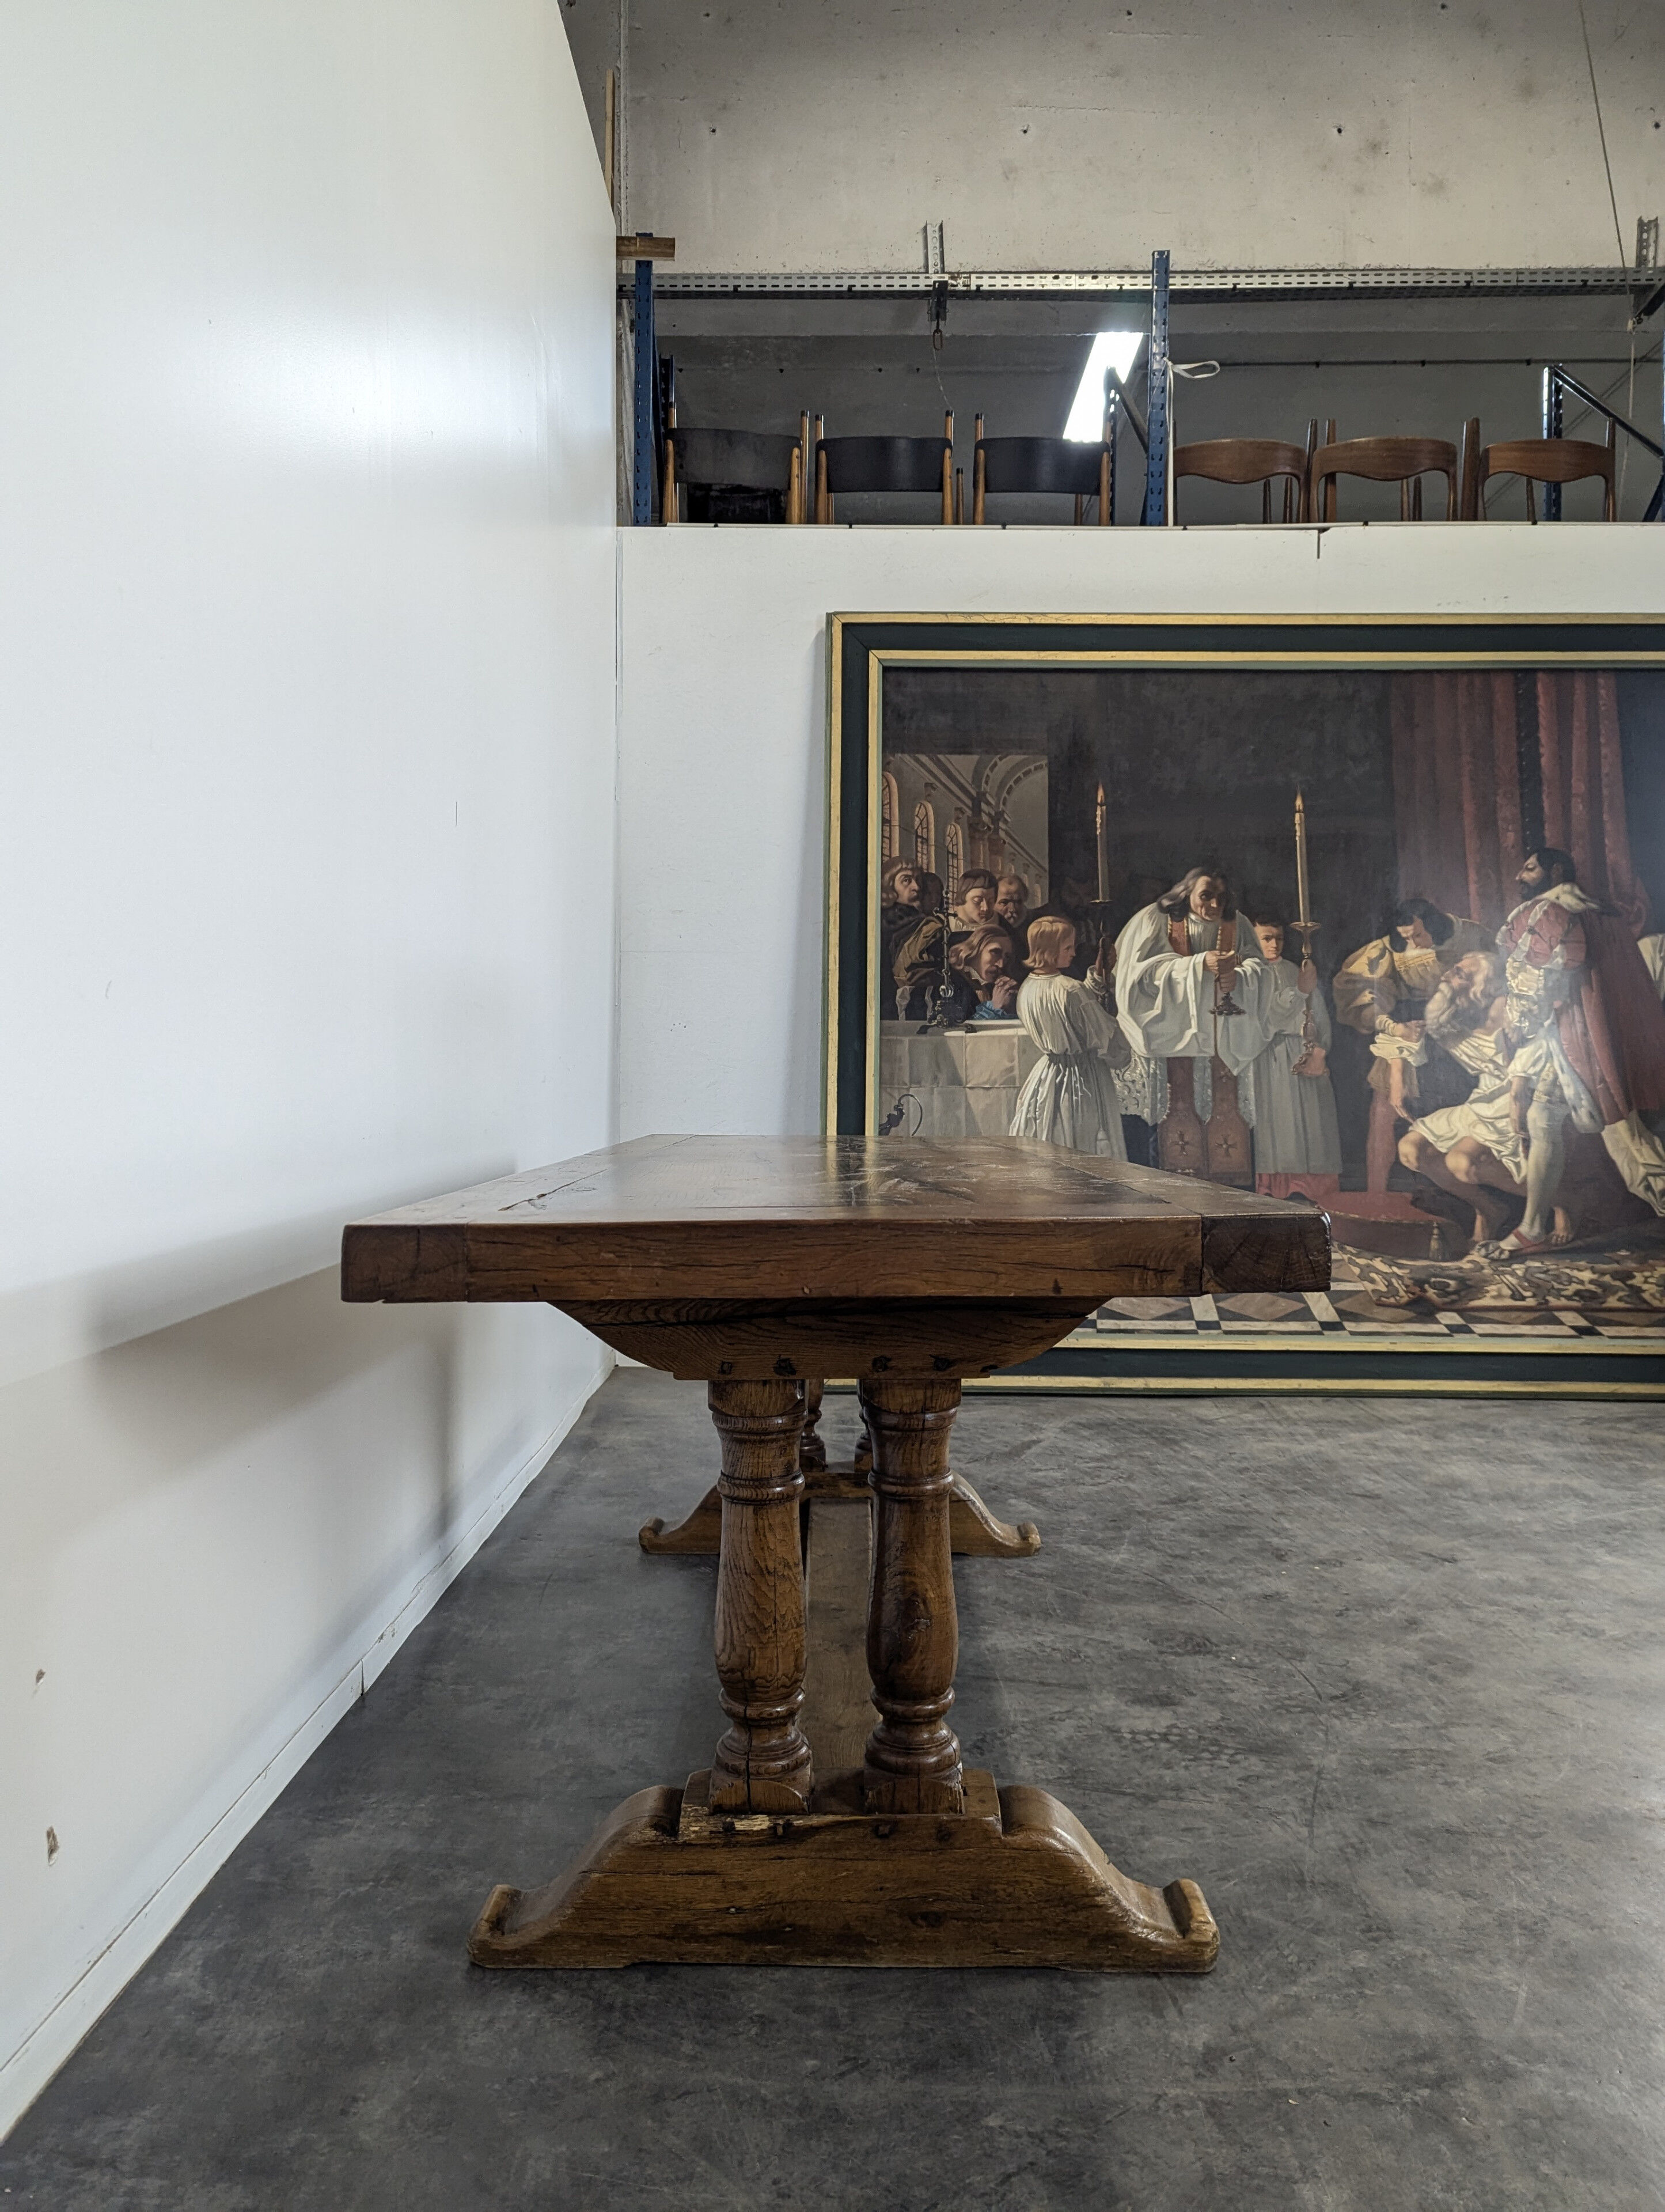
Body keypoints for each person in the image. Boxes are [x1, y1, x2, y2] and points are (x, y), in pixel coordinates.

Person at [1485, 847, 1665, 1252]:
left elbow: (1541, 983)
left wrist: (1517, 1027)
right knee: (1547, 1117)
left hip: (1578, 1035)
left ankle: (1532, 1229)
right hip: (1595, 1033)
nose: (1520, 875)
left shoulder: (1553, 912)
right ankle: (1531, 1227)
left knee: (1624, 1140)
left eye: (1529, 868)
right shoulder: (1595, 910)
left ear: (1556, 871)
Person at [1113, 866, 1304, 1186]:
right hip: (1172, 1038)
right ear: (1186, 892)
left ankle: (1230, 1189)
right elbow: (1135, 977)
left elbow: (1260, 968)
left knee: (1227, 1124)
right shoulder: (1154, 920)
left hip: (1223, 1037)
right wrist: (1196, 965)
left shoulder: (1237, 923)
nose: (1214, 905)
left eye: (1221, 897)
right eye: (1206, 896)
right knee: (1172, 1120)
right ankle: (1170, 1190)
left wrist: (1239, 977)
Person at [1333, 896, 1493, 1190]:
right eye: (1407, 936)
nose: (1414, 941)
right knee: (1384, 1107)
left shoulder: (1470, 936)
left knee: (1459, 1113)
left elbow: (1493, 979)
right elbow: (1361, 992)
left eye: (1418, 934)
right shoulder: (1387, 950)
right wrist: (1393, 1026)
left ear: (1433, 924)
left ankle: (1461, 1194)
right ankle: (1376, 1194)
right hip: (1410, 1029)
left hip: (1459, 1031)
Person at [1397, 950, 1532, 1245]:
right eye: (1454, 969)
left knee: (1462, 1162)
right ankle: (1489, 1209)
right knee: (1410, 1150)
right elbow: (1415, 1042)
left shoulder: (1504, 1009)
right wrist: (1402, 1062)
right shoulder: (1455, 1011)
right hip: (1481, 1100)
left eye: (1460, 974)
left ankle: (1559, 1199)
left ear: (1482, 986)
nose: (1447, 976)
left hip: (1511, 1102)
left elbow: (1532, 1062)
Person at [1010, 916, 1129, 1158]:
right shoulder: (1069, 988)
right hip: (1081, 1078)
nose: (1074, 953)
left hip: (1047, 1076)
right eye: (1068, 947)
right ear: (1050, 949)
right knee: (1083, 1143)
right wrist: (1122, 1052)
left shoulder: (1028, 988)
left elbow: (1076, 1010)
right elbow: (1102, 1034)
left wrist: (1097, 974)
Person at [1247, 914, 1341, 1198]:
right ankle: (1278, 1189)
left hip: (1305, 1052)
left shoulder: (1295, 969)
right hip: (1270, 1056)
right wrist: (1298, 991)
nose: (1274, 944)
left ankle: (1314, 1189)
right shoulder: (1250, 975)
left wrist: (1321, 1049)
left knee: (1314, 1123)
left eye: (1279, 938)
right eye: (1266, 938)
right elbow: (1265, 1018)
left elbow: (1319, 1013)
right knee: (1280, 1124)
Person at [942, 925, 1021, 1023]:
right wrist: (995, 1008)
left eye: (1007, 957)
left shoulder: (994, 986)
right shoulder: (952, 984)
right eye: (995, 952)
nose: (1001, 964)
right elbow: (958, 1032)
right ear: (975, 950)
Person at [947, 868, 999, 944]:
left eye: (991, 902)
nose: (986, 908)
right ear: (962, 896)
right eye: (978, 901)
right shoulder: (942, 925)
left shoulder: (1001, 924)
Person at [994, 874, 1031, 967]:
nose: (1012, 909)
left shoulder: (1034, 928)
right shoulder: (986, 930)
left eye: (1018, 902)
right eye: (1004, 902)